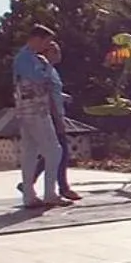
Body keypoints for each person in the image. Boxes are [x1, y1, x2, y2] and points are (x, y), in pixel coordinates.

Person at [12, 25, 63, 209]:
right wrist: (49, 64)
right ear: (37, 39)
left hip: (35, 110)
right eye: (46, 42)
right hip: (33, 111)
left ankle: (30, 195)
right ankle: (50, 193)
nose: (47, 46)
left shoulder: (33, 58)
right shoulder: (25, 59)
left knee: (31, 152)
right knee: (54, 151)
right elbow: (39, 79)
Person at [34, 35, 81, 202]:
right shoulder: (43, 70)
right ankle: (63, 188)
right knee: (61, 151)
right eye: (55, 51)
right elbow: (45, 93)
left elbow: (53, 91)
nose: (58, 54)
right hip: (52, 115)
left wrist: (63, 96)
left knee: (52, 152)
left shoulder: (52, 70)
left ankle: (28, 181)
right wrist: (56, 116)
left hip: (57, 112)